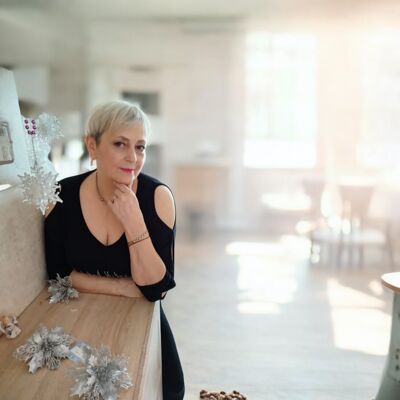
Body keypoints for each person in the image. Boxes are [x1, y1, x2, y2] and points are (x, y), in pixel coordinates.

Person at [44, 100, 185, 400]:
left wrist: (134, 223)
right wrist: (123, 287)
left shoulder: (158, 198)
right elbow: (58, 275)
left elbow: (157, 289)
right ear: (92, 146)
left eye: (140, 147)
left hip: (141, 327)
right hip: (79, 322)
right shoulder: (62, 196)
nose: (133, 158)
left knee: (168, 391)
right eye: (120, 144)